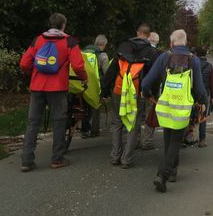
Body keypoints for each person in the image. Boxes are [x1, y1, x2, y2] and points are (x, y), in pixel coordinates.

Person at [19, 13, 87, 172]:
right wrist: (83, 78)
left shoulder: (38, 39)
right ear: (63, 25)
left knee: (32, 123)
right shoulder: (69, 41)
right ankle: (57, 159)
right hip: (57, 88)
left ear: (50, 24)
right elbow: (77, 65)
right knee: (59, 122)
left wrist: (33, 74)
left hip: (37, 86)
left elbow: (24, 63)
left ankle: (26, 161)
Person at [142, 29, 208, 192]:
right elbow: (199, 88)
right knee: (175, 141)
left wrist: (147, 92)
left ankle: (172, 172)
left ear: (171, 43)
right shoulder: (193, 60)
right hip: (183, 107)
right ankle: (162, 175)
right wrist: (203, 103)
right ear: (185, 43)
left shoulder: (165, 57)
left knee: (168, 139)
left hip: (165, 105)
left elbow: (147, 82)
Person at [102, 23, 158, 168]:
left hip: (119, 89)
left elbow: (113, 69)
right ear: (149, 35)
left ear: (137, 32)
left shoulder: (124, 46)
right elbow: (153, 76)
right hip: (136, 92)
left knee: (117, 122)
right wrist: (150, 93)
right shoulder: (151, 52)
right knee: (133, 124)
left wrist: (104, 90)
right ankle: (126, 159)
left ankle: (115, 156)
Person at [81, 34, 109, 138]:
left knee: (84, 106)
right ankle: (94, 130)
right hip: (95, 84)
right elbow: (106, 72)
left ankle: (84, 130)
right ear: (103, 44)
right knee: (95, 107)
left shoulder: (83, 52)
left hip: (82, 83)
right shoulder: (103, 56)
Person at [139, 31, 161, 150]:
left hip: (134, 86)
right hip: (150, 90)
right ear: (156, 42)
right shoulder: (155, 54)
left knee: (137, 115)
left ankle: (135, 140)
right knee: (149, 115)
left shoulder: (138, 51)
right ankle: (147, 141)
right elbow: (156, 75)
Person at [195, 46, 213, 148]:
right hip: (205, 93)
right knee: (203, 116)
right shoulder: (209, 66)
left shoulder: (192, 64)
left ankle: (187, 137)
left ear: (196, 53)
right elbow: (212, 83)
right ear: (206, 54)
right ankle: (202, 140)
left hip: (192, 93)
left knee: (188, 115)